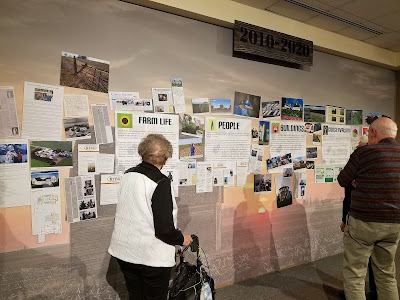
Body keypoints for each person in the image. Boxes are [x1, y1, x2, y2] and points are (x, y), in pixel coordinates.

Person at [108, 134, 192, 300]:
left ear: (142, 154)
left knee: (135, 296)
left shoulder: (128, 174)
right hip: (150, 257)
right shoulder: (160, 182)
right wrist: (182, 238)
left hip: (124, 252)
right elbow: (164, 229)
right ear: (166, 158)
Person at [337, 117, 400, 300]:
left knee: (355, 275)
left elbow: (343, 180)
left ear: (373, 133)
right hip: (394, 224)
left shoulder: (364, 153)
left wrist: (359, 180)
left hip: (363, 223)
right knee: (387, 275)